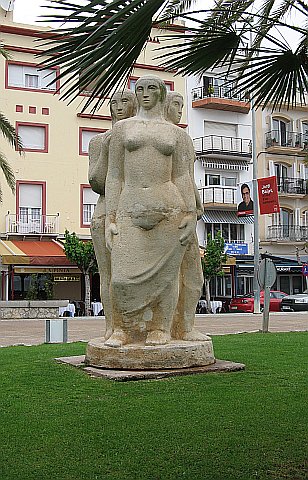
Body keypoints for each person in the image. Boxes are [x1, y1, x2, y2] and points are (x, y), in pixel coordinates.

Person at [105, 75, 200, 347]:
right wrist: (111, 217)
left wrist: (191, 213)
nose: (145, 94)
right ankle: (122, 329)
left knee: (167, 276)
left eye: (151, 89)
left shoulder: (176, 134)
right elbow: (114, 176)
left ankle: (161, 328)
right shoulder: (122, 130)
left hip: (170, 208)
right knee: (122, 276)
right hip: (129, 208)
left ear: (161, 93)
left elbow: (182, 176)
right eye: (140, 89)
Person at [88, 90, 137, 340]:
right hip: (105, 211)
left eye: (124, 101)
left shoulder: (140, 140)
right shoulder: (99, 142)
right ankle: (113, 326)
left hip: (136, 211)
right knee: (108, 275)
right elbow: (96, 181)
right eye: (114, 103)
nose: (119, 107)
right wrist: (108, 150)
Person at [164, 92, 208, 341]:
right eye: (175, 105)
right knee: (172, 277)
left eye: (182, 105)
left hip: (186, 212)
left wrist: (196, 206)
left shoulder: (182, 137)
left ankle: (185, 326)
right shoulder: (169, 138)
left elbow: (188, 178)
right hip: (173, 213)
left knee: (193, 276)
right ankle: (169, 328)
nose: (179, 110)